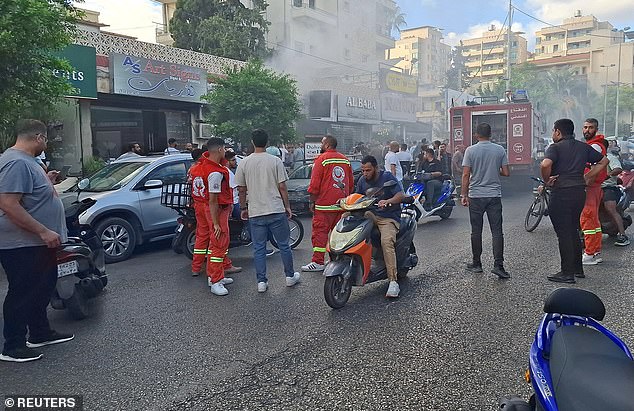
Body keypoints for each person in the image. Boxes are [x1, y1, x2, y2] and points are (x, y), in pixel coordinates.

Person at [0, 119, 74, 363]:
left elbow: (29, 196)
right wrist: (43, 231)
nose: (46, 144)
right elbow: (8, 204)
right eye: (46, 139)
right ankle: (13, 345)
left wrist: (47, 181)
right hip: (22, 242)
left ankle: (40, 332)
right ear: (39, 138)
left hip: (38, 243)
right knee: (22, 291)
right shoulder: (15, 162)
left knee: (42, 287)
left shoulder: (29, 163)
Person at [541, 119, 608, 283]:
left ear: (557, 132)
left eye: (553, 131)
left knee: (563, 234)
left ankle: (566, 273)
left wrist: (546, 179)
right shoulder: (583, 147)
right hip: (579, 193)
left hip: (561, 193)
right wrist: (587, 176)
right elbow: (604, 161)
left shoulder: (554, 147)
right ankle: (578, 269)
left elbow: (545, 164)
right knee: (573, 230)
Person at [235, 129, 300, 293]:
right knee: (284, 245)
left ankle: (261, 282)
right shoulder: (275, 161)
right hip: (276, 209)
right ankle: (290, 277)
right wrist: (287, 206)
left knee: (258, 248)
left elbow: (241, 189)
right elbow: (282, 187)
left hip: (255, 211)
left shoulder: (244, 162)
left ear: (252, 142)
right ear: (267, 142)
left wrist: (243, 208)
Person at [189, 138, 241, 296]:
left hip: (209, 208)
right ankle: (215, 280)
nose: (225, 152)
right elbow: (212, 200)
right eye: (224, 149)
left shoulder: (205, 166)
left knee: (213, 242)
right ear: (220, 150)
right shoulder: (215, 173)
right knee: (218, 244)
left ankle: (216, 275)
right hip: (217, 210)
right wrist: (217, 223)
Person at [461, 123, 511, 279]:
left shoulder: (470, 150)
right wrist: (493, 170)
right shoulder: (499, 150)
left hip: (476, 196)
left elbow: (465, 175)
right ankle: (498, 265)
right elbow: (506, 172)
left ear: (476, 135)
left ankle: (477, 264)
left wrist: (463, 194)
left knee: (476, 231)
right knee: (497, 231)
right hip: (494, 195)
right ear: (491, 135)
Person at [355, 155, 406, 298]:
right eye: (363, 170)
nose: (365, 173)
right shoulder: (362, 181)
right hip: (370, 215)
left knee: (386, 242)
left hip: (388, 217)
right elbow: (357, 197)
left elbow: (400, 195)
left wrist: (388, 200)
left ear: (376, 168)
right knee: (345, 220)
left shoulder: (387, 177)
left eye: (368, 170)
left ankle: (393, 281)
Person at [301, 135, 353, 272]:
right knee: (339, 235)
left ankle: (318, 261)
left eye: (322, 143)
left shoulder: (321, 160)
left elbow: (315, 184)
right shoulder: (345, 160)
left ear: (327, 145)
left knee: (320, 234)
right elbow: (351, 183)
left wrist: (312, 201)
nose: (321, 145)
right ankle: (336, 260)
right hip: (342, 205)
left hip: (324, 205)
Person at [579, 118, 608, 265]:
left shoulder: (595, 146)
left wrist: (585, 181)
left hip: (590, 188)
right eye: (585, 127)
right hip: (595, 188)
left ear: (596, 129)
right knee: (594, 221)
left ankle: (589, 254)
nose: (587, 130)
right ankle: (595, 251)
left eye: (590, 128)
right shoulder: (594, 145)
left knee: (587, 220)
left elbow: (593, 169)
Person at [601, 138, 630, 246]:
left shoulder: (610, 158)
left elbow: (618, 169)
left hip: (608, 188)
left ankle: (623, 235)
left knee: (610, 208)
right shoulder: (590, 159)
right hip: (592, 188)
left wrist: (606, 176)